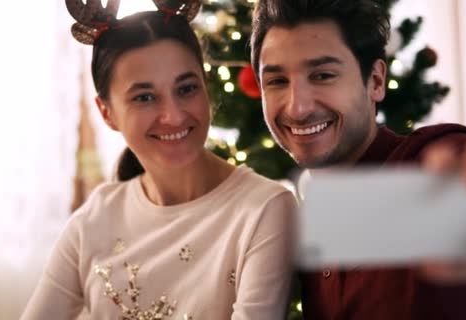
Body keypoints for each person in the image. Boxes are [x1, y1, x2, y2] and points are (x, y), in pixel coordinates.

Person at [249, 0, 466, 319]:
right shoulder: (311, 230)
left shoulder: (442, 157)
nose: (297, 108)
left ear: (375, 81)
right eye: (277, 81)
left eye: (322, 75)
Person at [21, 1, 296, 319]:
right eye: (144, 97)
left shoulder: (265, 210)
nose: (173, 115)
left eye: (187, 88)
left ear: (205, 89)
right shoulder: (92, 221)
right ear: (106, 112)